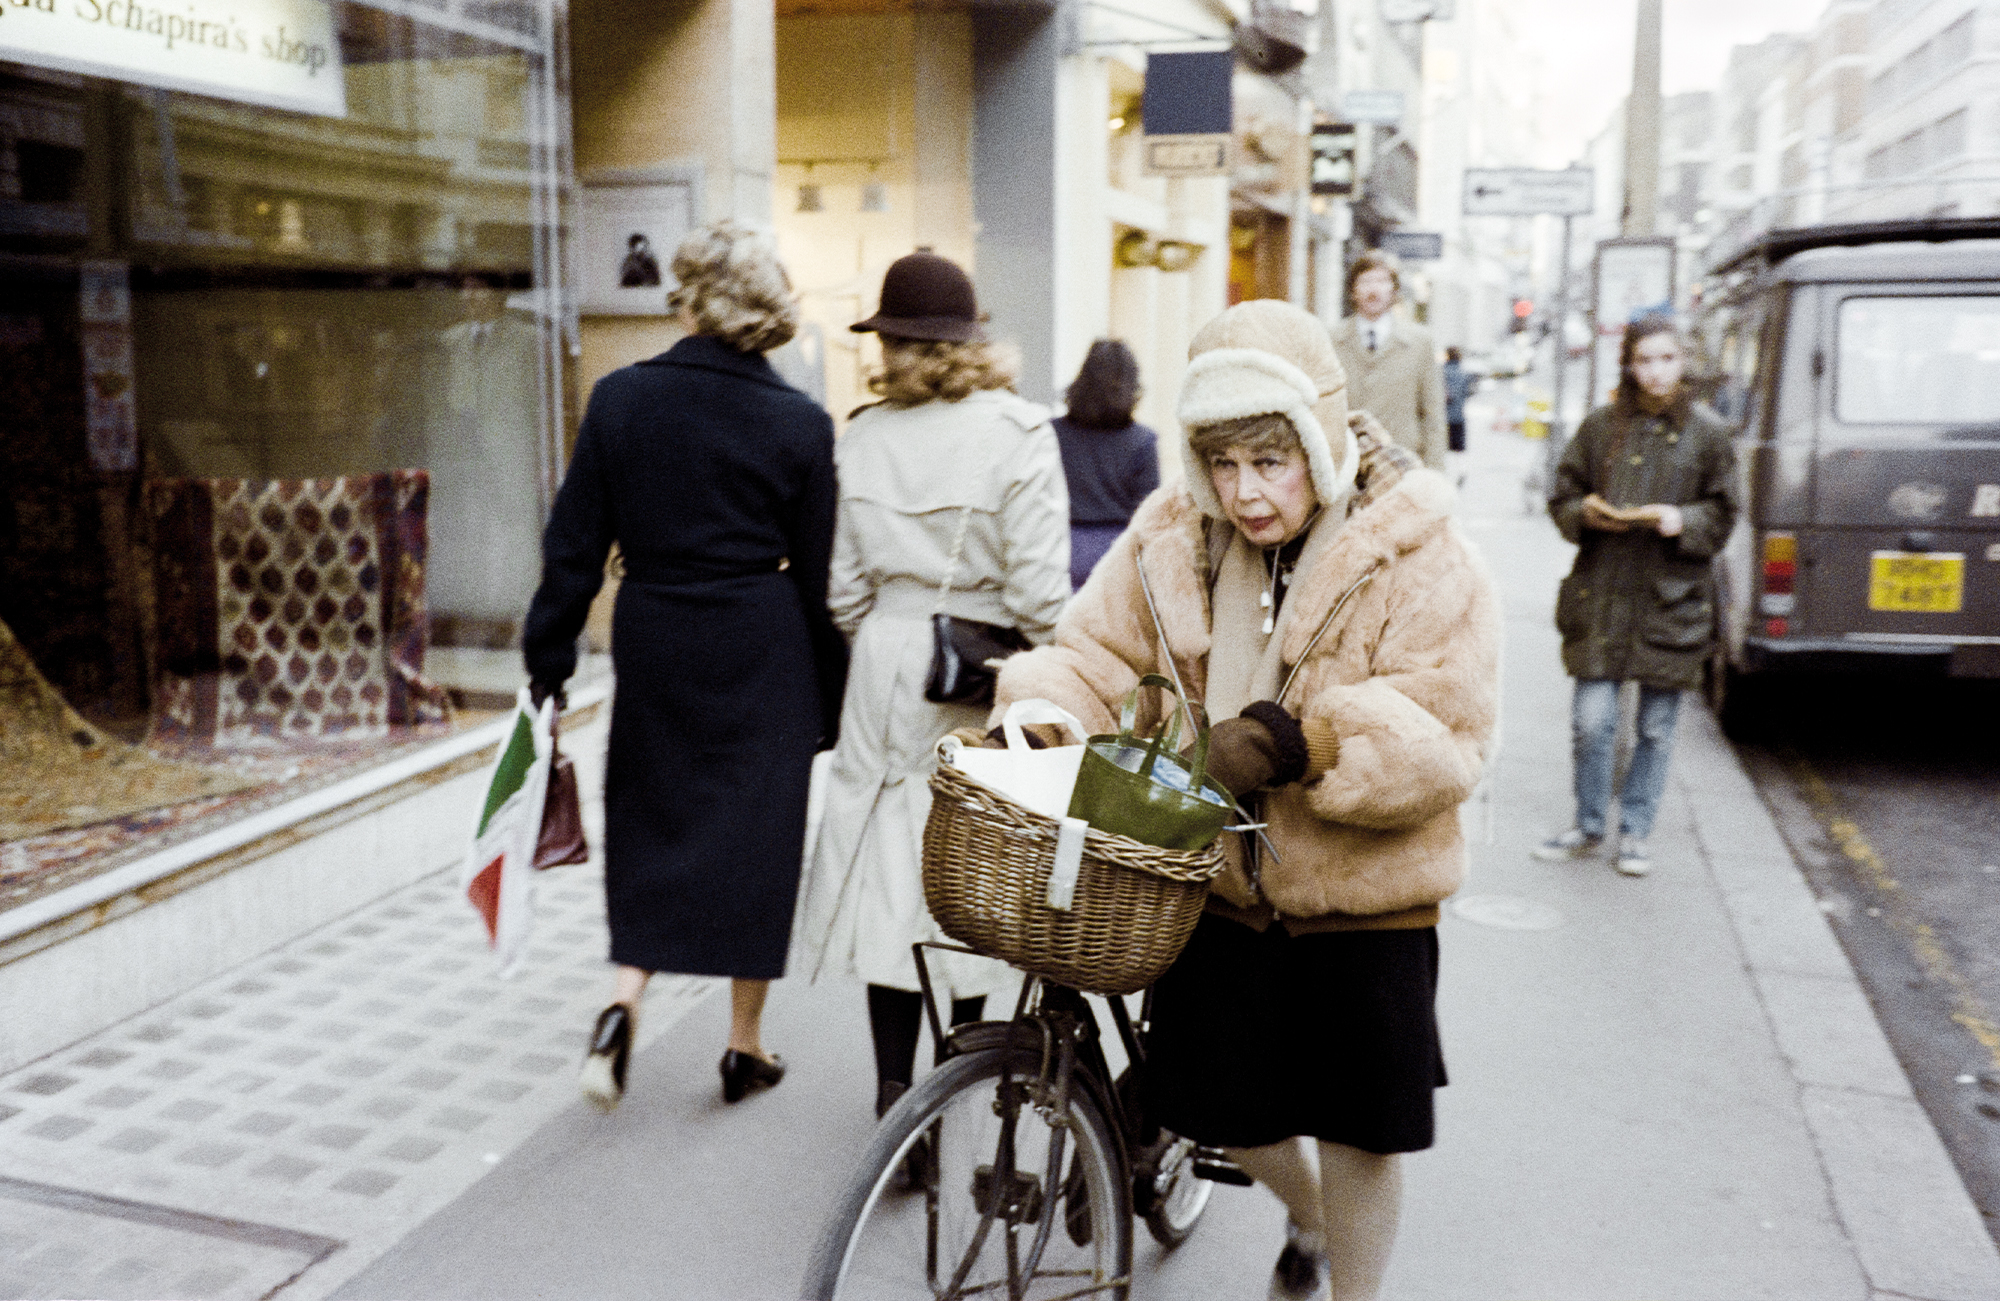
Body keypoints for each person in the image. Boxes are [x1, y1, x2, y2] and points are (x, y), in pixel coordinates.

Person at [994, 299, 1500, 1301]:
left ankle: (1348, 1286)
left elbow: (1451, 734)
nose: (1245, 490)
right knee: (1212, 1100)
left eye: (1268, 460)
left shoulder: (1417, 546)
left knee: (1357, 1129)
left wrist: (1303, 741)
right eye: (1221, 463)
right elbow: (1090, 649)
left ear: (1316, 434)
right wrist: (1048, 711)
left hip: (1368, 895)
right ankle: (1302, 1216)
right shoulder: (1172, 534)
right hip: (1216, 874)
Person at [522, 220, 848, 1110]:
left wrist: (547, 657)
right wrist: (835, 698)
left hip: (657, 628)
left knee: (652, 812)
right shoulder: (801, 423)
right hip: (762, 638)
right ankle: (744, 1045)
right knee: (758, 835)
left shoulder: (621, 399)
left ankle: (622, 1002)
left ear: (691, 298)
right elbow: (823, 579)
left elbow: (572, 548)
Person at [795, 251, 1071, 1123]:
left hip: (883, 664)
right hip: (978, 666)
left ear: (895, 343)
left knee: (887, 877)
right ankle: (953, 1078)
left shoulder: (865, 434)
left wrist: (892, 629)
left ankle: (890, 1089)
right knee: (968, 865)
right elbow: (1039, 595)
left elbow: (841, 591)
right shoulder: (1020, 433)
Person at [1536, 316, 1739, 878]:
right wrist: (1586, 514)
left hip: (1670, 600)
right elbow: (1563, 495)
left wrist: (1684, 519)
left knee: (1654, 727)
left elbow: (1725, 513)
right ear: (1629, 365)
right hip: (1601, 595)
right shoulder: (1602, 426)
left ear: (1683, 363)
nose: (1655, 371)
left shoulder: (1709, 432)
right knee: (1592, 722)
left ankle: (1635, 832)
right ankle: (1589, 822)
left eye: (1666, 359)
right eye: (1644, 360)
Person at [1052, 339, 1159, 590]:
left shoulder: (1052, 434)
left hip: (1061, 548)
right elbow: (1149, 514)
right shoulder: (1143, 441)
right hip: (1118, 552)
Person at [1329, 250, 1449, 473]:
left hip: (1401, 465)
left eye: (1382, 281)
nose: (1374, 290)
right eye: (1365, 281)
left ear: (1394, 291)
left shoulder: (1419, 342)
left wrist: (1434, 473)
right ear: (1352, 290)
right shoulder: (1331, 339)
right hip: (1344, 466)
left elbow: (1432, 414)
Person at [1441, 345, 1475, 475]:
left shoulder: (1442, 372)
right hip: (1459, 415)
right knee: (1459, 446)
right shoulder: (1463, 372)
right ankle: (1461, 470)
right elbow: (1467, 392)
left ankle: (1446, 471)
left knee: (1444, 445)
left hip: (1443, 416)